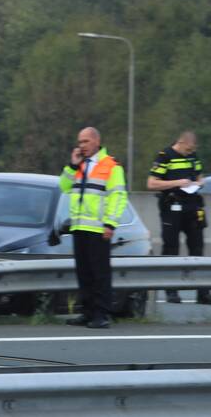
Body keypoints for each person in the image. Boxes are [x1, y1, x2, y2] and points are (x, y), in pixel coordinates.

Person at [60, 126, 128, 329]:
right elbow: (63, 187)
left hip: (99, 229)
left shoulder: (111, 166)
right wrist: (72, 165)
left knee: (99, 274)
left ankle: (102, 315)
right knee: (84, 273)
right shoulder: (78, 165)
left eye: (85, 142)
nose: (82, 146)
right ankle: (87, 312)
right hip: (79, 227)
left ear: (96, 142)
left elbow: (118, 196)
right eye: (80, 142)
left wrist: (110, 224)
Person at [147, 131, 209, 304]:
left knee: (197, 248)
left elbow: (199, 176)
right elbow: (151, 183)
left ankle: (203, 292)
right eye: (188, 149)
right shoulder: (164, 156)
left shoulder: (192, 156)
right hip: (171, 206)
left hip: (192, 206)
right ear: (180, 143)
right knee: (171, 248)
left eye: (192, 150)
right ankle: (171, 290)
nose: (190, 152)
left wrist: (198, 182)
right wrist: (177, 183)